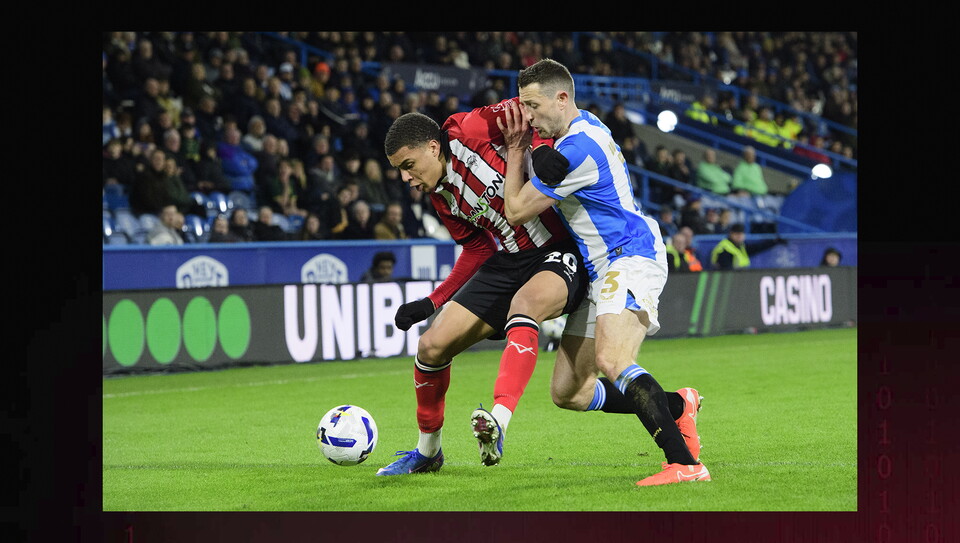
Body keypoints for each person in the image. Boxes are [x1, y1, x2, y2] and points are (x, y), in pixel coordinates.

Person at [497, 58, 708, 486]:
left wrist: (518, 149)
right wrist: (541, 147)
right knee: (569, 392)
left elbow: (515, 210)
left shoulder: (578, 150)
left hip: (628, 255)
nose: (528, 117)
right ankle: (678, 405)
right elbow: (556, 145)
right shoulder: (586, 123)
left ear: (561, 98)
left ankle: (685, 464)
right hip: (601, 268)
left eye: (533, 106)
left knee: (613, 359)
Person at [375, 99, 587, 477]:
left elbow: (530, 107)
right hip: (508, 259)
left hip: (559, 248)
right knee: (430, 346)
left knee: (524, 307)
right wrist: (431, 302)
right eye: (399, 170)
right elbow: (477, 248)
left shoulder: (467, 129)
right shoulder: (441, 196)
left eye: (408, 165)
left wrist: (541, 149)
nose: (406, 178)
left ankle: (499, 421)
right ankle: (428, 452)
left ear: (433, 147)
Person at [709, 222, 785, 271]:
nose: (740, 236)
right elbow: (725, 269)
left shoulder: (741, 246)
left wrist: (774, 242)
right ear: (731, 234)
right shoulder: (724, 248)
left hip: (742, 277)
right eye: (737, 234)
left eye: (741, 234)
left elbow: (758, 247)